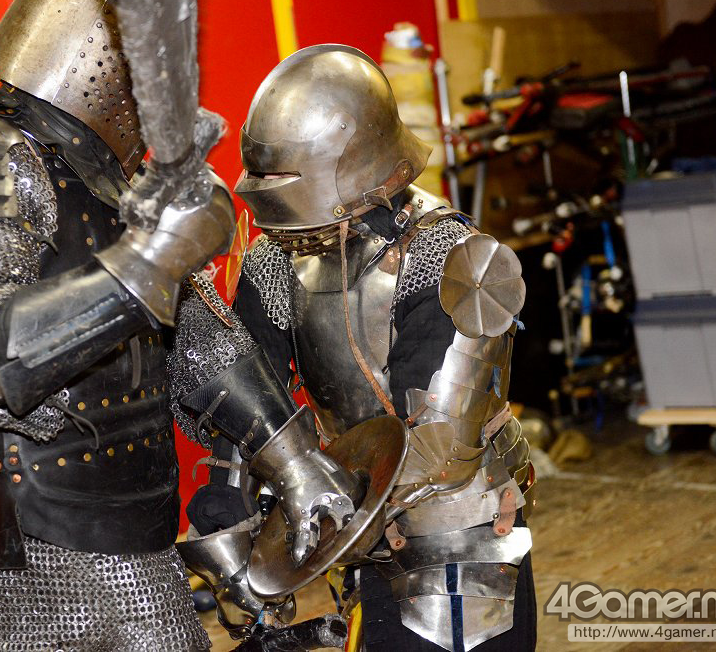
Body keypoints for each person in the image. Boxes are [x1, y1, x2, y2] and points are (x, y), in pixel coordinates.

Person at [0, 0, 234, 648]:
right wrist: (157, 257)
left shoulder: (110, 176)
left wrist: (290, 456)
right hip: (30, 526)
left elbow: (198, 340)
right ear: (99, 51)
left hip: (132, 507)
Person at [222, 44, 537, 651]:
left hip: (457, 538)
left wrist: (312, 501)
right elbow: (245, 391)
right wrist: (232, 504)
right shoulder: (276, 257)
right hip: (354, 522)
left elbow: (441, 447)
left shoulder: (451, 258)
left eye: (287, 178)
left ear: (353, 160)